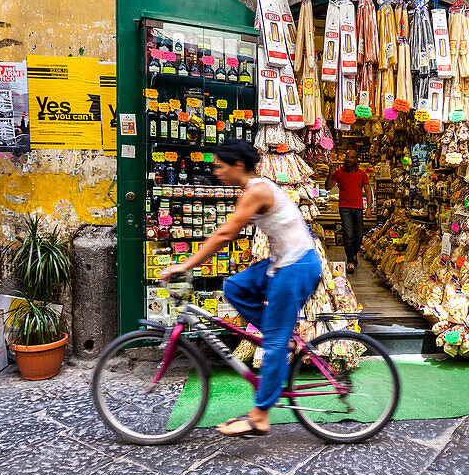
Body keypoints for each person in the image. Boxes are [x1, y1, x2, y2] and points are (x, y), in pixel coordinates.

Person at [159, 138, 322, 437]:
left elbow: (225, 234)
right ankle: (279, 337)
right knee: (235, 286)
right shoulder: (254, 189)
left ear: (237, 165)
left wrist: (185, 265)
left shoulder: (257, 190)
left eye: (220, 166)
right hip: (280, 263)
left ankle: (260, 415)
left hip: (296, 266)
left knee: (272, 345)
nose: (216, 171)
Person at [325, 149, 373, 273]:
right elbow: (328, 187)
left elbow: (368, 190)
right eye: (347, 157)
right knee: (348, 233)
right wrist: (330, 174)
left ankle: (354, 254)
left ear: (356, 159)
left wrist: (368, 208)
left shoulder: (362, 174)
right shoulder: (339, 173)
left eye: (352, 157)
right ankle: (350, 260)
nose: (349, 160)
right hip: (344, 208)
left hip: (358, 208)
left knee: (358, 235)